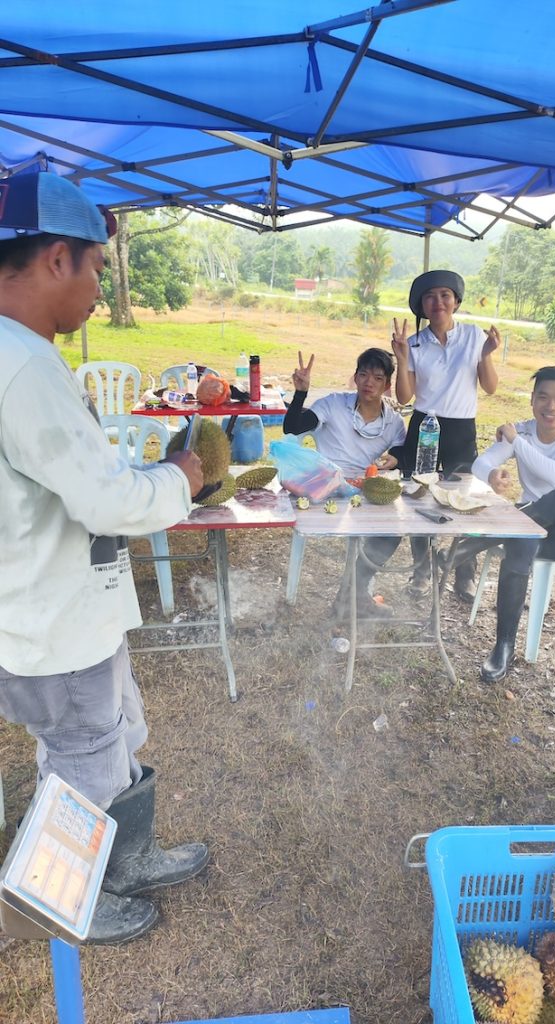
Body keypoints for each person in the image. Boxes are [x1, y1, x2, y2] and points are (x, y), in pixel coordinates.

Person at [0, 171, 209, 944]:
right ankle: (64, 901)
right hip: (48, 619)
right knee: (85, 757)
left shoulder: (21, 354)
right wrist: (180, 478)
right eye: (93, 267)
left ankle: (127, 856)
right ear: (56, 259)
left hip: (61, 605)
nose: (97, 287)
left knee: (117, 727)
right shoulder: (21, 367)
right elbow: (107, 499)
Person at [462, 366, 555, 682]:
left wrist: (517, 441)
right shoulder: (522, 431)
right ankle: (504, 647)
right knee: (521, 539)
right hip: (529, 524)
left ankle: (474, 543)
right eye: (543, 397)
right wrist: (491, 475)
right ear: (532, 400)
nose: (551, 407)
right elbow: (480, 462)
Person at [392, 269, 500, 601]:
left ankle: (463, 572)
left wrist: (487, 354)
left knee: (465, 501)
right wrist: (401, 359)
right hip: (424, 426)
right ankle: (421, 572)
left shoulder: (474, 337)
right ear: (421, 306)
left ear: (455, 301)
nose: (438, 302)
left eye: (444, 295)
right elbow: (404, 398)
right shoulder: (413, 343)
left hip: (461, 429)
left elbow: (491, 387)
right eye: (429, 297)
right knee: (419, 498)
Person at [283, 346, 407, 617]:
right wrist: (301, 392)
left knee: (393, 531)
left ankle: (353, 593)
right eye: (363, 375)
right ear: (355, 377)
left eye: (377, 378)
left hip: (360, 491)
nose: (368, 383)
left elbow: (401, 452)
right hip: (321, 487)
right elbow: (293, 428)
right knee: (368, 525)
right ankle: (354, 597)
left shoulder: (394, 423)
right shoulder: (334, 404)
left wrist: (395, 459)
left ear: (387, 385)